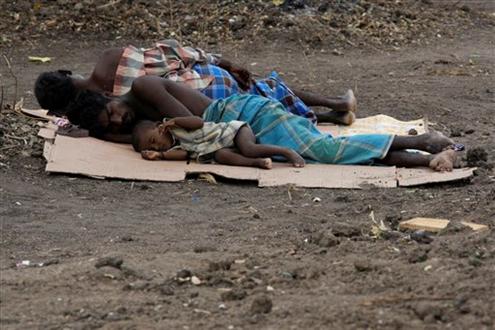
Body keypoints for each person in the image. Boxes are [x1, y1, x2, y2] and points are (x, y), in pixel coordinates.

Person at [72, 76, 460, 172]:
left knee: (327, 149)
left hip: (246, 115)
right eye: (112, 125)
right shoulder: (137, 116)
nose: (119, 119)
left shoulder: (143, 87)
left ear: (110, 98)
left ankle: (428, 141)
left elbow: (200, 122)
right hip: (243, 118)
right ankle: (428, 158)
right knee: (337, 156)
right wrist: (104, 131)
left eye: (112, 112)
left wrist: (160, 131)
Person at [34, 39, 356, 125]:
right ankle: (334, 105)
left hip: (193, 102)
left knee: (257, 108)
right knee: (261, 89)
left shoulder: (92, 112)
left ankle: (330, 116)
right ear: (65, 72)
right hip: (205, 80)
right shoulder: (108, 61)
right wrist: (223, 61)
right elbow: (171, 51)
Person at [131, 118, 305, 169]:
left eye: (153, 141)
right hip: (220, 147)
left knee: (249, 148)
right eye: (151, 148)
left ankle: (286, 152)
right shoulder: (175, 147)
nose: (156, 146)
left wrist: (175, 120)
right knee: (222, 156)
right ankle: (258, 163)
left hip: (233, 132)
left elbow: (198, 122)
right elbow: (184, 155)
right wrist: (161, 155)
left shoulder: (176, 127)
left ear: (159, 127)